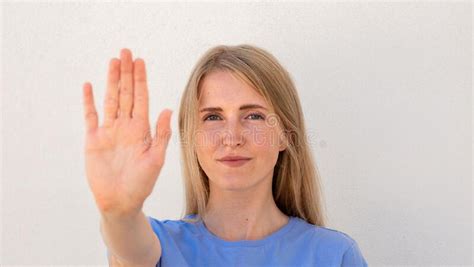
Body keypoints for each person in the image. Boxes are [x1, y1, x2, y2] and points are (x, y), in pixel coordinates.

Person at [82, 45, 368, 266]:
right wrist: (119, 213)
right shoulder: (162, 245)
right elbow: (129, 249)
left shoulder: (334, 255)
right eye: (213, 117)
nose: (232, 137)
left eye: (253, 115)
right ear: (192, 136)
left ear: (285, 134)